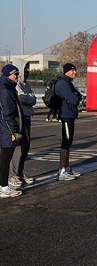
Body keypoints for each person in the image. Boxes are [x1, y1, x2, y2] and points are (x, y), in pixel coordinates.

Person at [8, 59, 36, 187]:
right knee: (18, 147)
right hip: (20, 118)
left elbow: (33, 98)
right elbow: (22, 97)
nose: (28, 70)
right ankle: (12, 174)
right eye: (26, 68)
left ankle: (19, 172)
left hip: (28, 117)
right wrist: (29, 98)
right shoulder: (16, 84)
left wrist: (29, 98)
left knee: (26, 146)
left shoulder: (26, 84)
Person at [0, 64, 26, 198]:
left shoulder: (8, 87)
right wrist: (13, 131)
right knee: (5, 158)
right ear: (8, 75)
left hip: (6, 128)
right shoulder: (5, 89)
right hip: (7, 129)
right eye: (16, 74)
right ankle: (3, 187)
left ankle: (3, 186)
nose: (18, 76)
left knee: (5, 158)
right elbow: (6, 113)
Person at [55, 63, 82, 181]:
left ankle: (67, 167)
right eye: (72, 70)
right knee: (66, 142)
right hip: (66, 115)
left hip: (69, 115)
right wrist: (76, 96)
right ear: (66, 71)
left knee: (69, 141)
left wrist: (76, 96)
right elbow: (74, 99)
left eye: (75, 70)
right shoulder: (62, 83)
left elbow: (79, 96)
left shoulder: (67, 83)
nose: (74, 72)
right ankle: (62, 171)